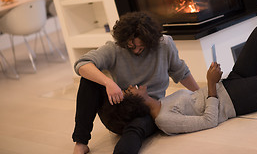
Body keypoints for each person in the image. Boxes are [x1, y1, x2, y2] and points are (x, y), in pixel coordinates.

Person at [102, 24, 257, 136]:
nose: (131, 86)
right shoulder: (165, 121)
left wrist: (213, 84)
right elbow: (209, 121)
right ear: (136, 102)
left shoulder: (163, 102)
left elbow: (190, 87)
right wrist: (211, 85)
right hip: (238, 99)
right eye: (130, 91)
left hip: (232, 85)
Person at [72, 11, 200, 154]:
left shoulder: (164, 44)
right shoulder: (114, 49)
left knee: (136, 129)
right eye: (131, 47)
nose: (136, 51)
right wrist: (108, 82)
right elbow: (81, 64)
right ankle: (81, 142)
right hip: (119, 108)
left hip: (148, 110)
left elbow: (181, 72)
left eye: (141, 47)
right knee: (88, 81)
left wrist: (201, 95)